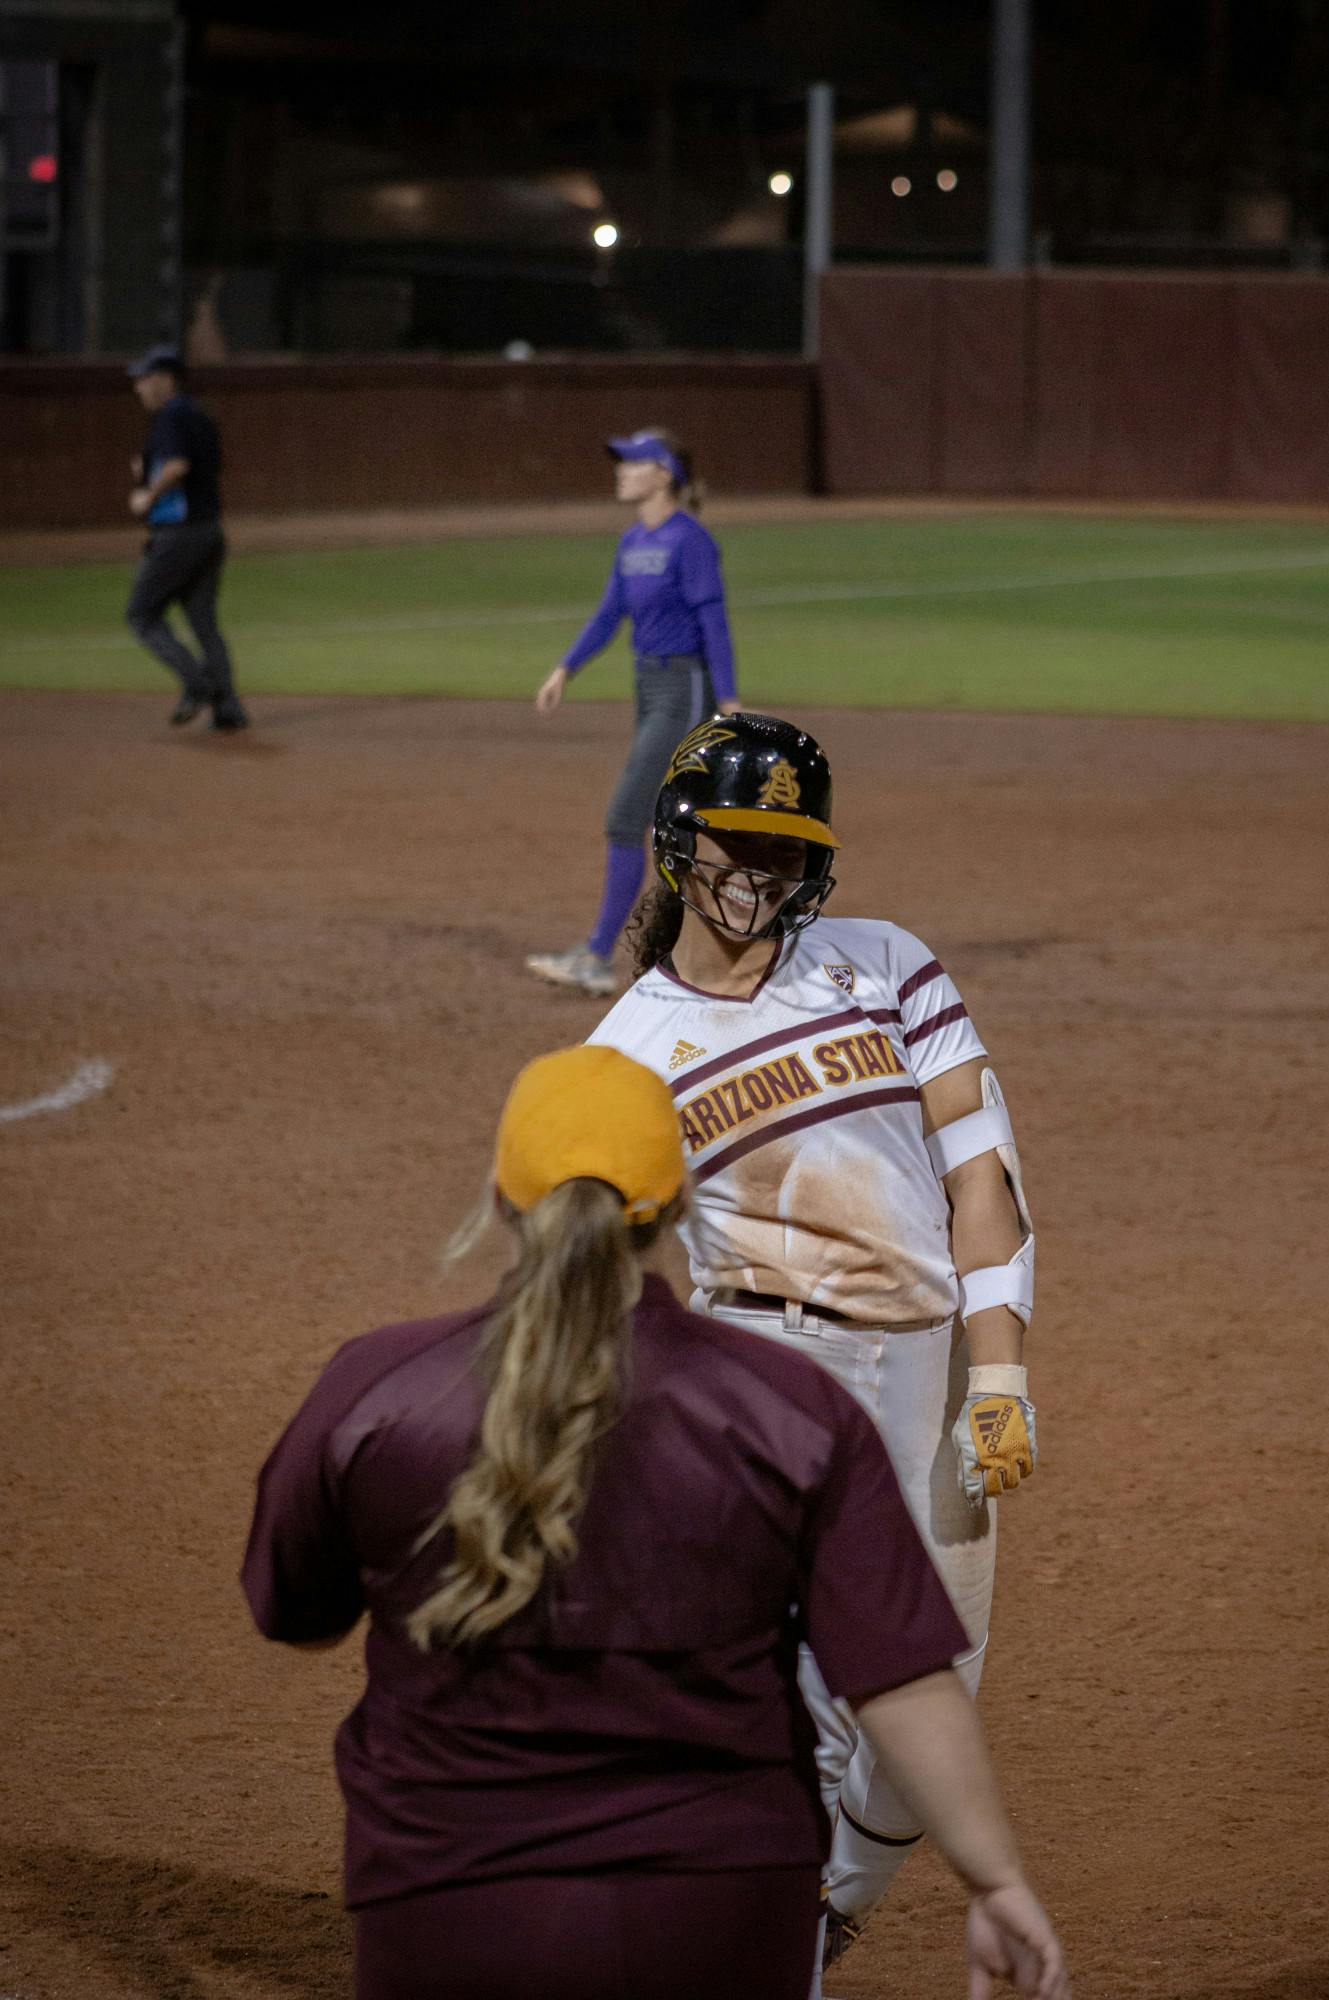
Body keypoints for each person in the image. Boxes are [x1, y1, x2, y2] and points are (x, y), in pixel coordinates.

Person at [242, 1045, 1066, 2000]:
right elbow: (902, 1681)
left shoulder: (378, 1392)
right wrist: (994, 1879)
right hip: (719, 1916)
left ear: (503, 1197)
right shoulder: (784, 1409)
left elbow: (292, 1609)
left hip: (450, 1909)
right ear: (680, 1205)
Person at [587, 711, 1041, 1982]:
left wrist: (997, 1368)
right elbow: (592, 1272)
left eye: (784, 848)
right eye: (735, 839)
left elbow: (981, 1171)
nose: (757, 871)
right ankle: (769, 1945)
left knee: (926, 1695)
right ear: (678, 839)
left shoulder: (886, 962)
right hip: (768, 1384)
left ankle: (822, 1915)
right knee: (804, 1717)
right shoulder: (624, 1051)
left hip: (932, 1374)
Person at [525, 427, 738, 999]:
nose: (620, 470)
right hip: (648, 686)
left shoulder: (690, 541)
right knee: (685, 824)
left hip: (685, 688)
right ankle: (724, 945)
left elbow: (713, 622)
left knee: (627, 817)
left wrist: (732, 703)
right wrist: (565, 668)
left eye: (632, 462)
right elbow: (608, 615)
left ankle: (597, 958)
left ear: (663, 473)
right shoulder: (631, 542)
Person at [125, 344, 249, 732]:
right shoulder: (200, 416)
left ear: (165, 380)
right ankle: (228, 708)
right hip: (210, 530)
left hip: (178, 534)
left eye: (145, 379)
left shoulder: (170, 417)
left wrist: (148, 494)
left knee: (142, 615)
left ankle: (198, 684)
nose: (139, 388)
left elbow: (178, 465)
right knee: (203, 623)